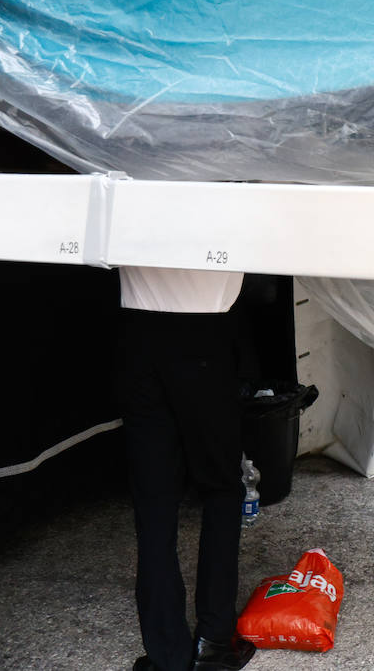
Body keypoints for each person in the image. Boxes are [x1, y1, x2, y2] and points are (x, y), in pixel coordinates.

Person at [118, 265, 254, 671]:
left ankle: (166, 655)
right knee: (221, 488)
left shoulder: (124, 197)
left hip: (137, 330)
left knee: (154, 498)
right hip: (203, 330)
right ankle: (212, 639)